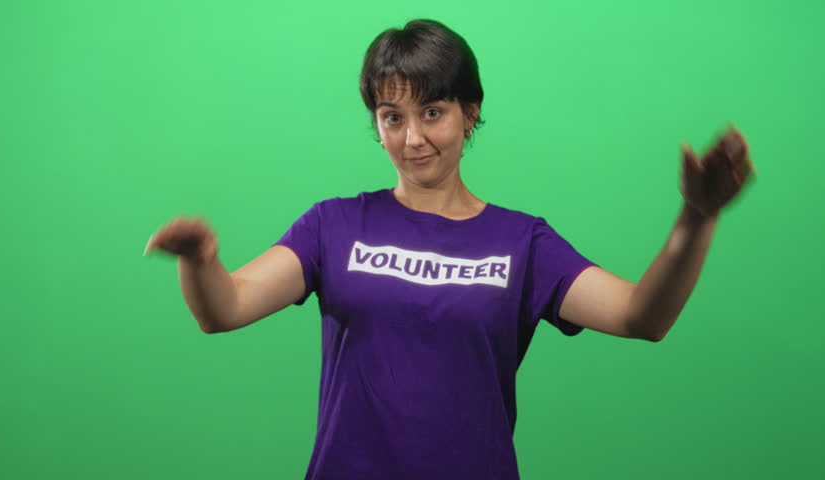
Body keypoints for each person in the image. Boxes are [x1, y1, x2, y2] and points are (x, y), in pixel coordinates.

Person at [144, 18, 754, 480]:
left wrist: (696, 218)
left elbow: (641, 316)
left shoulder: (523, 242)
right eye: (392, 117)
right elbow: (223, 309)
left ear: (470, 113)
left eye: (432, 112)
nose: (412, 139)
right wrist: (201, 263)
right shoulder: (334, 226)